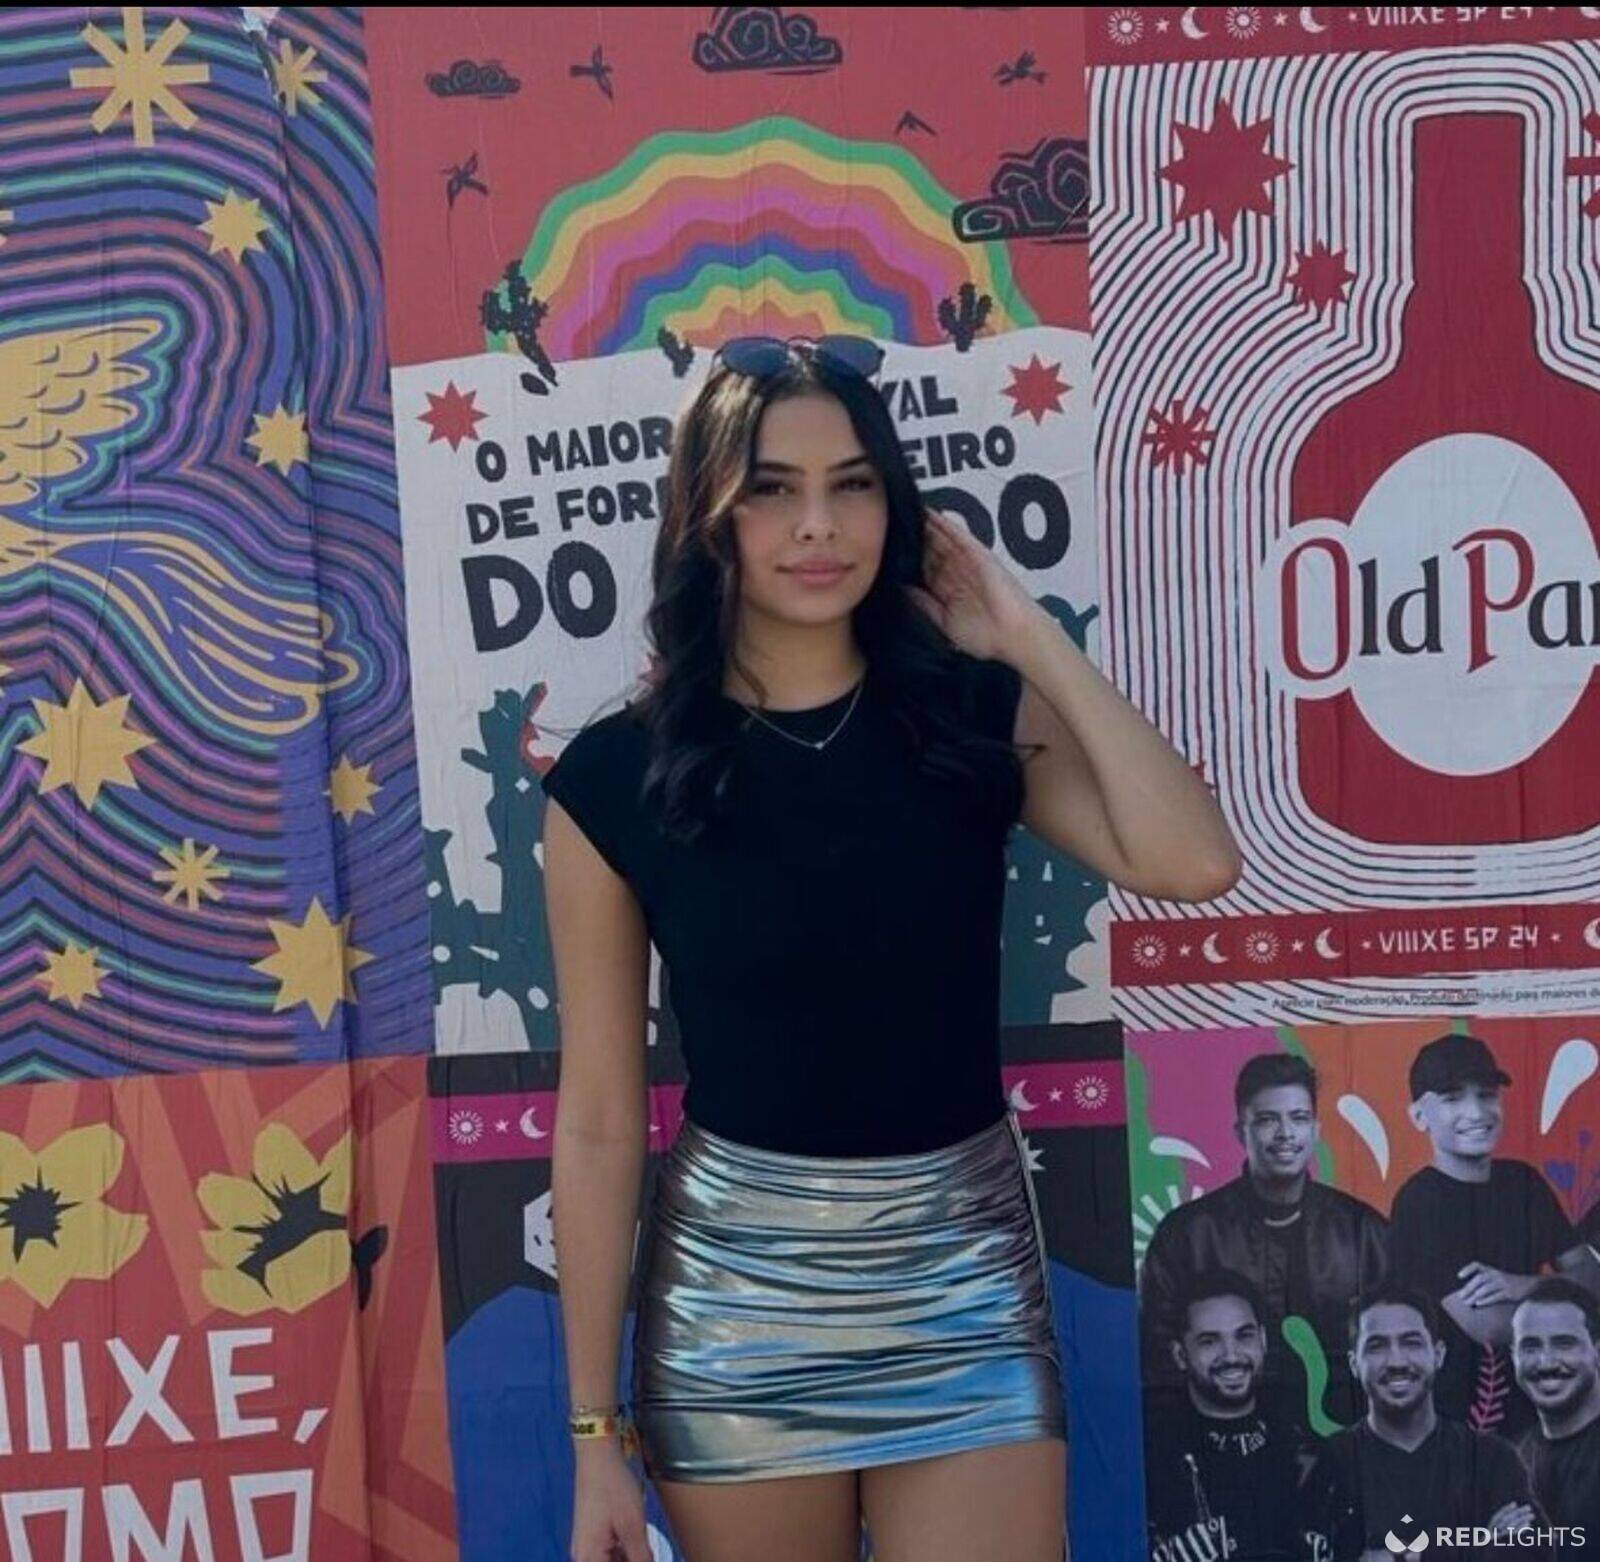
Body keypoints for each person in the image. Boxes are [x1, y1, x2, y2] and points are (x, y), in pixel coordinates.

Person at [539, 333, 1243, 1562]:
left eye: (852, 483)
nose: (818, 524)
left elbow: (1193, 861)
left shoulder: (965, 715)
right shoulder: (617, 776)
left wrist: (1023, 634)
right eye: (772, 488)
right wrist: (596, 1431)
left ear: (895, 505)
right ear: (708, 514)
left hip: (963, 1281)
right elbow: (598, 1119)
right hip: (738, 1307)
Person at [1138, 1052, 1389, 1426]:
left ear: (1316, 1130)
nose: (1285, 1133)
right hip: (1218, 1437)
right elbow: (1156, 1359)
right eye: (1268, 1120)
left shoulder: (1364, 1230)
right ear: (1241, 1131)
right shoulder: (1186, 1235)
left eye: (1298, 1118)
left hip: (1341, 1438)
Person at [1389, 1032, 1600, 1439]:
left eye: (1486, 1095)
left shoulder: (1524, 1182)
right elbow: (1492, 1327)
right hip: (1460, 1422)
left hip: (1546, 1419)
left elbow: (1594, 1277)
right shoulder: (1420, 1203)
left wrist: (1523, 1285)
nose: (1476, 1112)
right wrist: (1566, 1296)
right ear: (1418, 1116)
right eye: (1452, 1099)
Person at [1303, 1288, 1537, 1561]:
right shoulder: (1329, 1463)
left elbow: (1531, 1551)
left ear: (1438, 1355)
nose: (1396, 1361)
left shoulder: (1491, 1459)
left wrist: (1411, 1556)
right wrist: (1481, 1543)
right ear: (1354, 1364)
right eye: (1377, 1346)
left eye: (1411, 1343)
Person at [1142, 1269, 1314, 1562]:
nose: (1232, 1356)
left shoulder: (1307, 1454)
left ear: (1263, 1340)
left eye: (1244, 1336)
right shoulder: (1151, 1462)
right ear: (1180, 1355)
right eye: (1210, 1341)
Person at [1510, 1277, 1600, 1533]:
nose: (1546, 1362)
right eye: (1530, 1347)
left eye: (1564, 1344)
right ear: (1513, 1356)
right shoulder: (1516, 1460)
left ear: (1597, 1351)